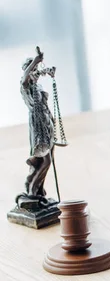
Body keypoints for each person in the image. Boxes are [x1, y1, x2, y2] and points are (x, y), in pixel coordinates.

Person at [19, 46, 57, 201]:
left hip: (47, 124)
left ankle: (39, 189)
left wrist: (49, 71)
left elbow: (41, 73)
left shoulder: (37, 85)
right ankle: (33, 191)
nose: (35, 72)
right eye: (32, 69)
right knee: (44, 160)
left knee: (48, 160)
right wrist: (36, 60)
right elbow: (26, 77)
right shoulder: (25, 86)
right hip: (38, 126)